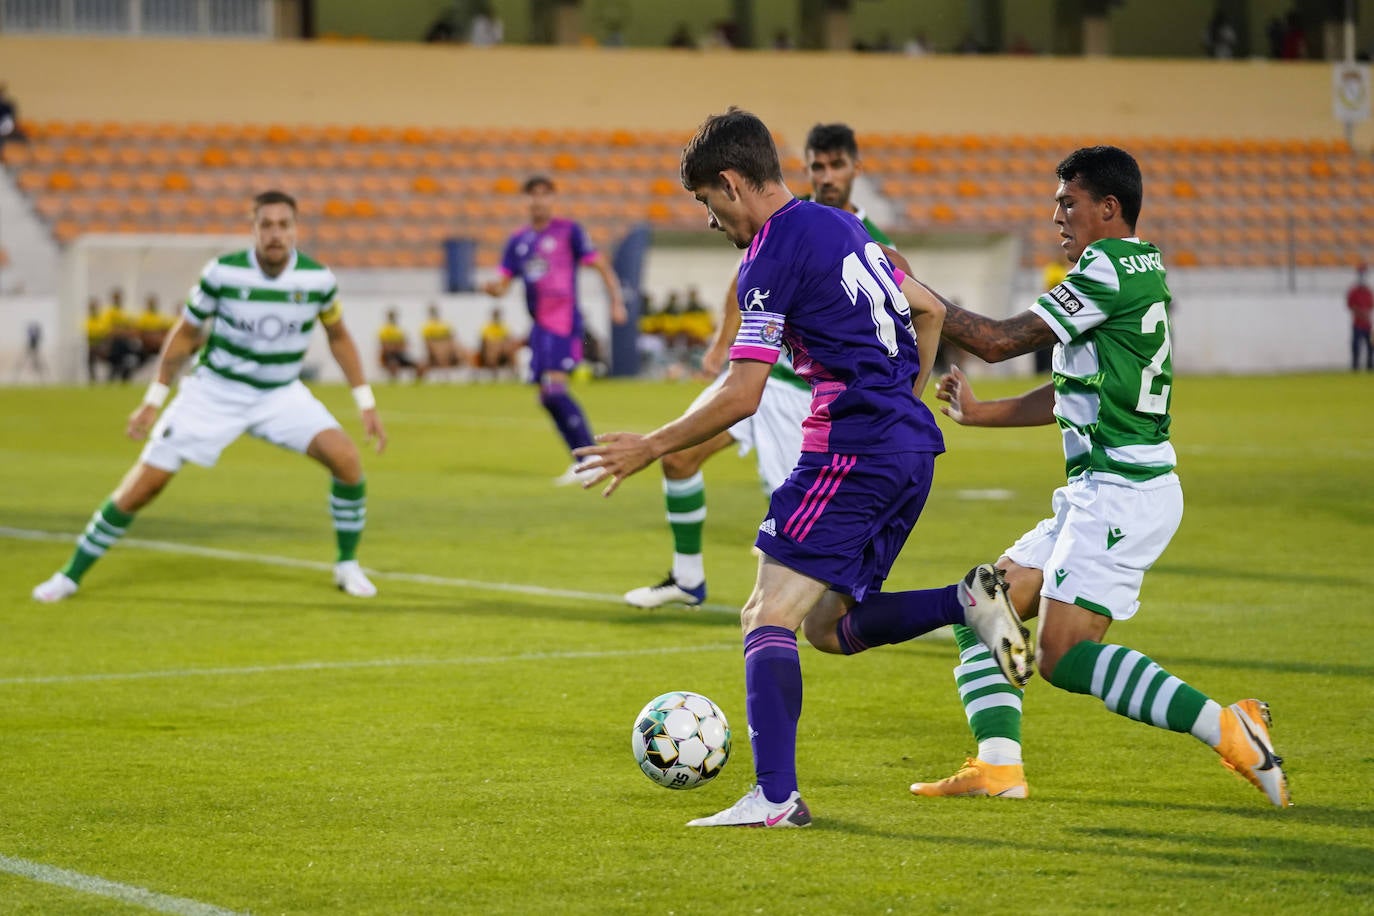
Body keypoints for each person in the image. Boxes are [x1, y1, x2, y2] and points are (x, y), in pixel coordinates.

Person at [575, 108, 1025, 828]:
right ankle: (963, 602)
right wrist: (906, 406)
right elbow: (930, 308)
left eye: (706, 202)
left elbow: (744, 390)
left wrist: (651, 444)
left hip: (852, 446)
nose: (710, 219)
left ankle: (776, 798)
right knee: (828, 627)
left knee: (766, 612)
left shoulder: (769, 253)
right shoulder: (846, 226)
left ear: (730, 182)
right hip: (906, 448)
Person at [906, 146, 1289, 807]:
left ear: (1108, 208)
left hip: (1122, 491)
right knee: (984, 604)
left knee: (1062, 656)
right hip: (1100, 489)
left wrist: (916, 293)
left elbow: (997, 341)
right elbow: (1073, 393)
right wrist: (980, 412)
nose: (1056, 213)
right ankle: (998, 769)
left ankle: (1231, 727)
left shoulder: (1106, 268)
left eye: (1068, 201)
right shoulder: (1128, 266)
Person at [32, 190, 387, 603]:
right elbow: (185, 334)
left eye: (283, 225)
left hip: (280, 394)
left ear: (295, 229)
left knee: (346, 460)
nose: (275, 233)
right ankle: (70, 575)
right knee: (143, 487)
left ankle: (347, 565)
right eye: (266, 224)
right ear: (253, 229)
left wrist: (366, 402)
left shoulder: (317, 280)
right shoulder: (222, 273)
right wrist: (154, 398)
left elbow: (338, 336)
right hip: (214, 392)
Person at [623, 121, 892, 609]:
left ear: (856, 168)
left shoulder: (865, 236)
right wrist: (722, 340)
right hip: (754, 373)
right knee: (679, 457)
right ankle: (687, 579)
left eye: (836, 165)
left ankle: (923, 606)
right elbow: (744, 277)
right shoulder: (783, 218)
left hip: (800, 393)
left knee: (813, 558)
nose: (826, 175)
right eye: (817, 165)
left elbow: (911, 308)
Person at [482, 175, 626, 485]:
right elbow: (503, 284)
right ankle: (584, 459)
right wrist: (492, 289)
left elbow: (599, 264)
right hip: (539, 327)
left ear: (552, 199)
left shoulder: (568, 231)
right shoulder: (518, 241)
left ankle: (593, 459)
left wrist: (617, 301)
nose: (539, 200)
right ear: (526, 200)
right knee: (547, 396)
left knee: (555, 389)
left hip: (562, 322)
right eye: (533, 195)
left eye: (545, 194)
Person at [420, 302, 469, 376]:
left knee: (464, 351)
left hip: (449, 348)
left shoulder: (445, 324)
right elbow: (428, 342)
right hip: (436, 350)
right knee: (441, 350)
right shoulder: (427, 326)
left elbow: (452, 338)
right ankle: (445, 373)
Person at [378, 307, 425, 382]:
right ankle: (394, 383)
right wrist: (397, 345)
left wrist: (394, 345)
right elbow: (386, 347)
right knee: (393, 364)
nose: (393, 318)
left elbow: (405, 345)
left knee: (420, 365)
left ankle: (417, 384)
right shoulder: (384, 330)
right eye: (391, 316)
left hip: (401, 355)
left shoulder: (400, 330)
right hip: (389, 356)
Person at [476, 306, 518, 378]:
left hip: (503, 352)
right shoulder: (486, 328)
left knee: (509, 348)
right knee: (493, 348)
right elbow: (484, 343)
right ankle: (493, 374)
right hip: (490, 353)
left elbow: (509, 340)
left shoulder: (504, 327)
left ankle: (514, 373)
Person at [136, 293, 174, 370]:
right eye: (151, 303)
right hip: (148, 343)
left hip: (159, 342)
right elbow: (140, 332)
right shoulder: (143, 316)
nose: (153, 305)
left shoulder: (160, 316)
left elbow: (164, 329)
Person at [1347, 263, 1372, 371]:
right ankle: (1355, 366)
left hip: (1368, 325)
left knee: (1371, 346)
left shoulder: (1369, 292)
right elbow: (1351, 306)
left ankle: (1370, 365)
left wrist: (1366, 314)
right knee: (1356, 346)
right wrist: (1361, 313)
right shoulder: (1353, 291)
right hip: (1357, 324)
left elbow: (1370, 307)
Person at [84, 297, 110, 384]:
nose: (93, 309)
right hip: (92, 346)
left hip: (103, 345)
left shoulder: (103, 319)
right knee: (90, 355)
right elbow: (87, 333)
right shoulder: (87, 319)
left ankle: (109, 378)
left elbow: (105, 332)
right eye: (91, 307)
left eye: (94, 306)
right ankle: (93, 379)